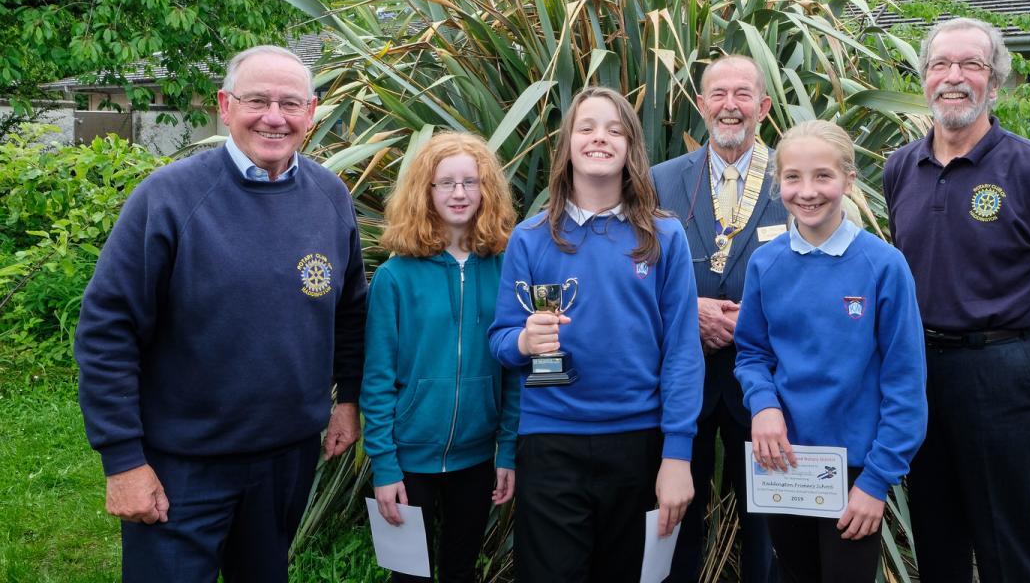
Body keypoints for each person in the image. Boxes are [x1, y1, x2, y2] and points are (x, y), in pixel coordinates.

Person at [74, 45, 368, 582]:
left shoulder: (330, 196)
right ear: (224, 105)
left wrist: (347, 398)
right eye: (257, 100)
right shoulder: (167, 198)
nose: (274, 117)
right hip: (182, 462)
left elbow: (349, 312)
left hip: (287, 459)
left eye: (290, 103)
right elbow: (107, 333)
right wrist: (122, 461)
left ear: (312, 112)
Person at [883, 17, 1030, 582]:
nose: (953, 78)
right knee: (935, 536)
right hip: (919, 372)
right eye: (940, 65)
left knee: (1006, 541)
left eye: (971, 65)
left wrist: (1014, 342)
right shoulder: (901, 167)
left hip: (998, 378)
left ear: (994, 82)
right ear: (925, 79)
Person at [489, 86, 704, 581]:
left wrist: (677, 454)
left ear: (631, 146)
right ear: (566, 145)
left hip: (638, 440)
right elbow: (500, 340)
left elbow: (682, 354)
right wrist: (524, 342)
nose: (599, 138)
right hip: (551, 442)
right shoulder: (531, 237)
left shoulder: (664, 237)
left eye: (614, 129)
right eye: (586, 128)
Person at [734, 120, 927, 583]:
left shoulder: (883, 266)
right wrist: (763, 408)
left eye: (823, 176)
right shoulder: (766, 262)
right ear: (777, 182)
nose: (807, 191)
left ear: (848, 180)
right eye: (793, 178)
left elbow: (905, 384)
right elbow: (752, 354)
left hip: (855, 472)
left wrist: (877, 481)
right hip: (783, 464)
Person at [649, 55, 788, 582]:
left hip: (768, 384)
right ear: (702, 105)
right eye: (719, 95)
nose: (731, 106)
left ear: (764, 107)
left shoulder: (793, 177)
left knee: (769, 526)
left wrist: (749, 321)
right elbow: (636, 275)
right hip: (684, 378)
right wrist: (691, 315)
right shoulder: (660, 181)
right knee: (674, 516)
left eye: (743, 95)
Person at [360, 131, 520, 583]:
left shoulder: (506, 268)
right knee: (409, 575)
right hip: (409, 460)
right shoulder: (395, 276)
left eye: (470, 182)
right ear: (424, 191)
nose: (459, 193)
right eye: (445, 182)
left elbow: (514, 373)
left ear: (486, 190)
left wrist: (506, 451)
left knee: (460, 568)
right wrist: (385, 466)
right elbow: (376, 381)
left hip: (476, 457)